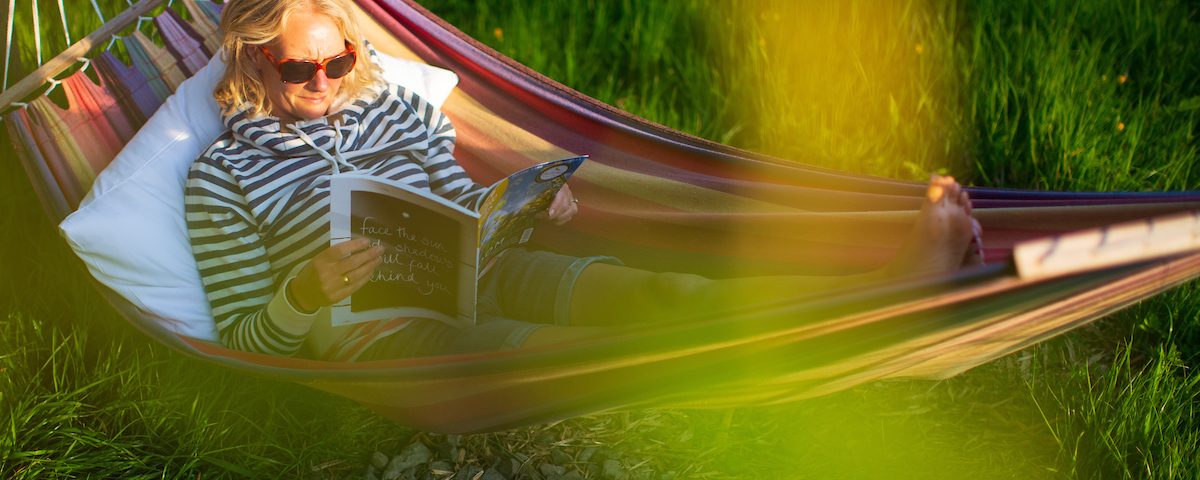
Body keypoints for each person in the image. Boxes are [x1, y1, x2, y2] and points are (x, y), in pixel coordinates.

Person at [185, 0, 983, 361]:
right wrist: (308, 292)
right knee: (589, 354)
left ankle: (884, 294)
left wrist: (525, 202)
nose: (326, 79)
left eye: (342, 59)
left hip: (483, 270)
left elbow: (463, 205)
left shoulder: (393, 106)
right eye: (301, 68)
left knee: (666, 297)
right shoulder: (222, 179)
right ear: (254, 60)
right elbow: (243, 339)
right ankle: (864, 326)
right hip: (389, 341)